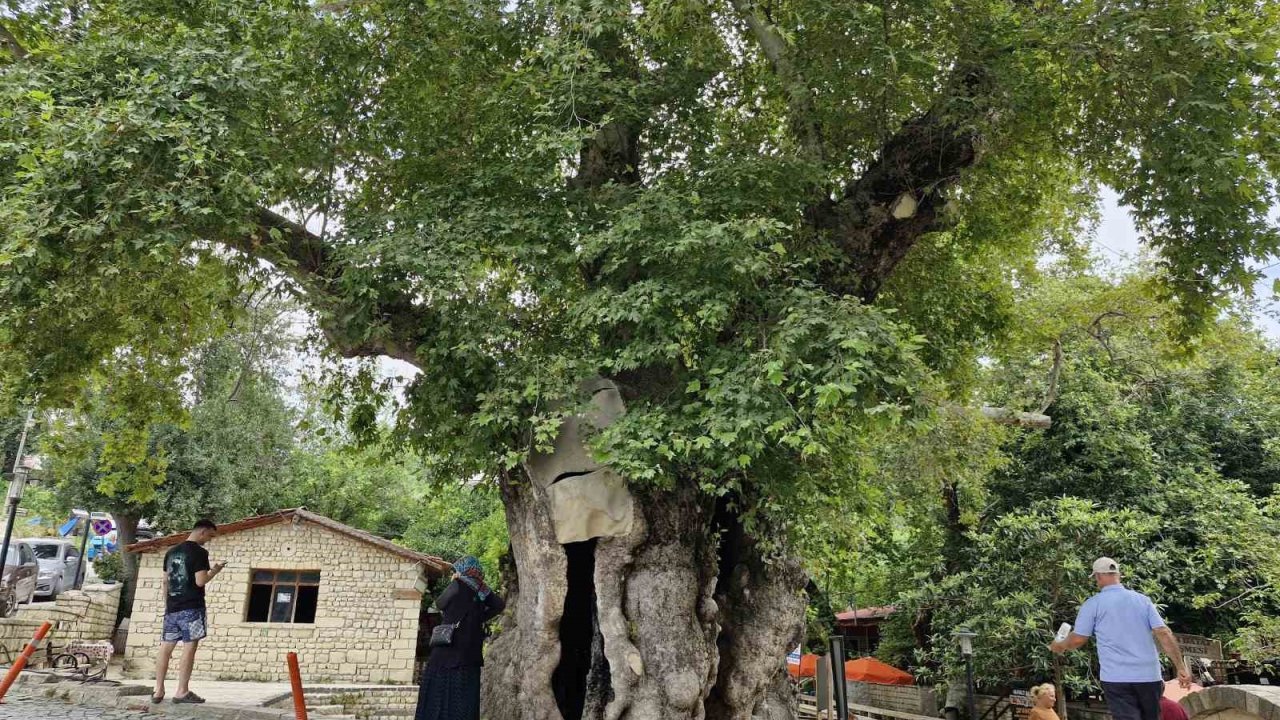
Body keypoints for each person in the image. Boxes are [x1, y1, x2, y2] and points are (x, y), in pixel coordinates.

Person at [1050, 557, 1192, 720]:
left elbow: (1078, 639)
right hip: (1149, 677)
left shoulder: (1093, 604)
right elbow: (1163, 632)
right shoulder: (1143, 601)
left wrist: (1060, 645)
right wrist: (1180, 667)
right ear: (1118, 574)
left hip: (1116, 678)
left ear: (1098, 576)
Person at [416, 556, 506, 720]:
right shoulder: (482, 588)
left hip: (448, 648)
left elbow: (440, 603)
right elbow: (499, 605)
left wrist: (455, 581)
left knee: (439, 686)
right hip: (470, 653)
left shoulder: (458, 584)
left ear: (463, 570)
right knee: (466, 692)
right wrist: (479, 618)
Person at [152, 519, 225, 705]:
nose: (208, 540)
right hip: (192, 607)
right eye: (209, 535)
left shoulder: (171, 552)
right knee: (189, 647)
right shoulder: (199, 552)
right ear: (203, 531)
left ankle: (158, 690)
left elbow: (165, 581)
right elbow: (200, 581)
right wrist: (214, 571)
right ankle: (181, 691)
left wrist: (168, 605)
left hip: (172, 608)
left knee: (166, 647)